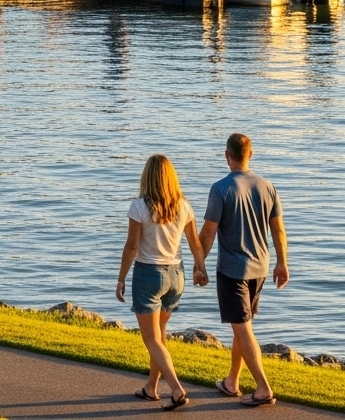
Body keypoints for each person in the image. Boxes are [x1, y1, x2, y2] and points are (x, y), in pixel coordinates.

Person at [199, 133, 288, 408]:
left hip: (233, 271)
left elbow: (209, 232)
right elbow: (278, 229)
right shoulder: (268, 186)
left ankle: (263, 387)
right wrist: (282, 263)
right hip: (261, 268)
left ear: (227, 155)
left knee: (243, 327)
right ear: (251, 154)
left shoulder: (220, 189)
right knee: (242, 326)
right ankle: (232, 381)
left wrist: (198, 264)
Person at [117, 154, 207, 410]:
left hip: (148, 275)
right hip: (176, 276)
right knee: (160, 335)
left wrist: (121, 278)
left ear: (148, 176)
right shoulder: (184, 206)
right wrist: (201, 268)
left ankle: (177, 390)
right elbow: (195, 244)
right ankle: (151, 388)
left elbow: (132, 246)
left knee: (151, 339)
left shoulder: (139, 207)